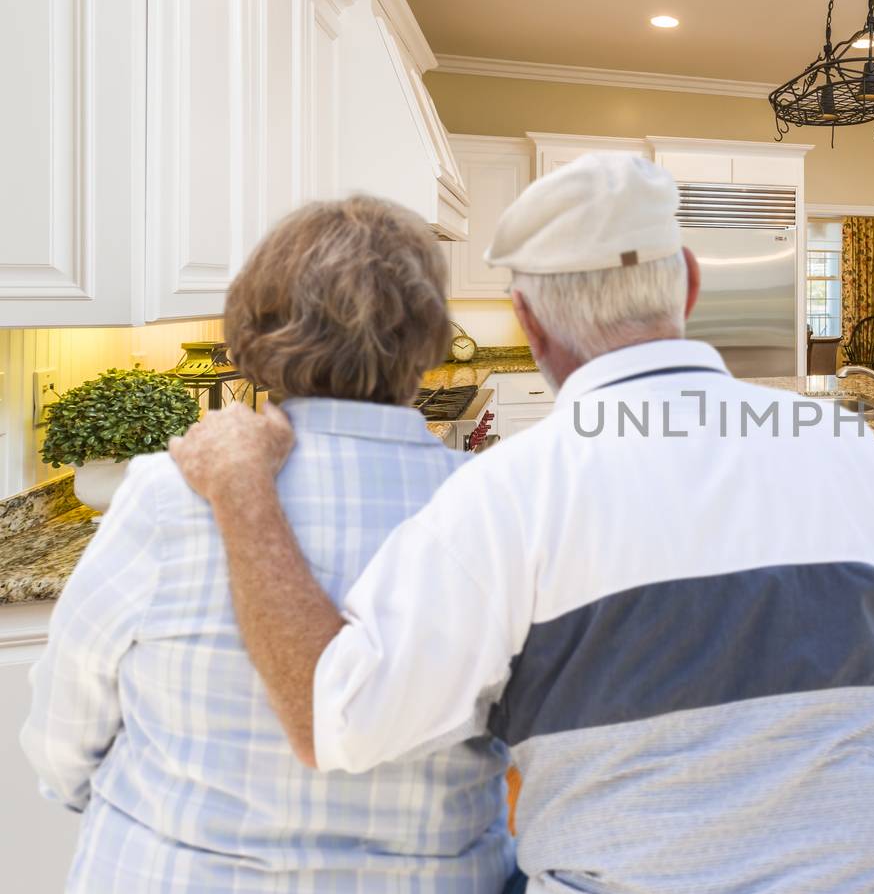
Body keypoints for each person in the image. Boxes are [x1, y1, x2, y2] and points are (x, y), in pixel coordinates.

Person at [167, 153, 874, 893]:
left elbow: (330, 718)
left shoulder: (505, 494)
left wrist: (243, 488)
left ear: (528, 319)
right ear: (690, 283)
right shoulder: (844, 447)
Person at [21, 197, 515, 892]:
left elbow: (65, 727)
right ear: (429, 335)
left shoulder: (168, 493)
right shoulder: (494, 509)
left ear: (255, 324)